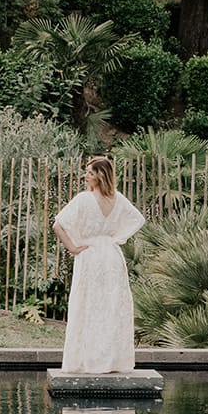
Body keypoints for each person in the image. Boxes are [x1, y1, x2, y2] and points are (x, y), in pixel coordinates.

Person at [53, 156, 145, 375]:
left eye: (90, 173)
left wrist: (73, 247)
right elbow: (138, 219)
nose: (85, 176)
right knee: (110, 307)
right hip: (111, 255)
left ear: (100, 176)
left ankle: (87, 360)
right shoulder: (118, 200)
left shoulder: (84, 199)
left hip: (90, 256)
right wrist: (116, 237)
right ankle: (111, 361)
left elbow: (58, 225)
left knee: (88, 305)